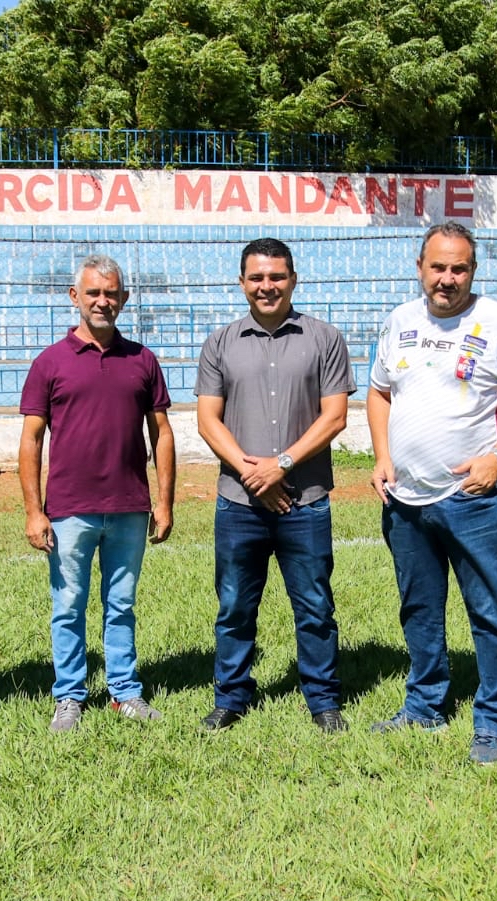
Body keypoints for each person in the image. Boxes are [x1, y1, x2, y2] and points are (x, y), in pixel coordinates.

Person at [367, 222, 497, 765]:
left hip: (472, 499)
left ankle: (493, 719)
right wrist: (381, 457)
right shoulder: (400, 320)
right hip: (406, 499)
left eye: (459, 267)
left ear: (474, 270)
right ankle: (424, 705)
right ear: (419, 267)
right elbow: (378, 391)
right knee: (419, 609)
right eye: (438, 267)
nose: (447, 278)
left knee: (489, 612)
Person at [195, 238, 355, 733]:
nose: (268, 286)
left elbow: (335, 417)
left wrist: (280, 465)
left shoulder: (324, 338)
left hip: (305, 502)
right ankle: (231, 696)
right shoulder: (219, 342)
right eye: (258, 277)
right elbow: (207, 420)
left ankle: (323, 700)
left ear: (293, 279)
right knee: (235, 606)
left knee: (314, 606)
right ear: (242, 282)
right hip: (239, 504)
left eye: (277, 276)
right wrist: (254, 472)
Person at [19, 255, 176, 732]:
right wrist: (32, 510)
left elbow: (162, 433)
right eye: (93, 293)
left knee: (121, 605)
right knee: (68, 606)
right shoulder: (50, 362)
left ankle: (124, 692)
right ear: (75, 298)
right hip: (68, 510)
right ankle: (69, 696)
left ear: (124, 299)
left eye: (111, 293)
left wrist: (164, 501)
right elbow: (31, 439)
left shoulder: (142, 360)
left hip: (129, 507)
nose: (102, 301)